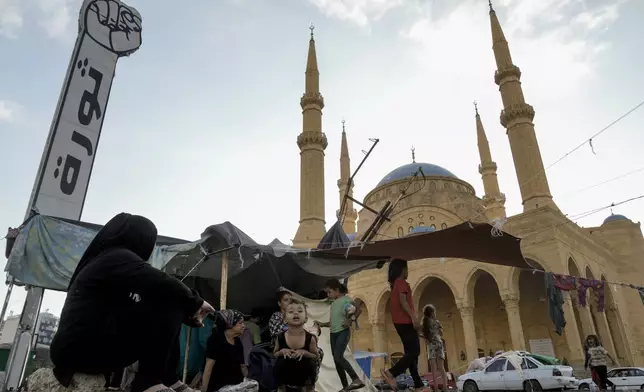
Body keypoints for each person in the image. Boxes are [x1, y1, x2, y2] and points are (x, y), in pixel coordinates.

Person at [50, 213, 214, 392]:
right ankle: (149, 382)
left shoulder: (116, 266)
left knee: (167, 298)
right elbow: (161, 283)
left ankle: (167, 378)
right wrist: (196, 302)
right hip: (79, 350)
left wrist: (187, 315)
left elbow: (153, 302)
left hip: (83, 347)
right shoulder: (115, 256)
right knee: (170, 296)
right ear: (140, 238)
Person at [380, 259, 423, 392]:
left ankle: (418, 384)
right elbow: (404, 302)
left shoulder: (395, 285)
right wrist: (414, 318)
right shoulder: (401, 283)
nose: (407, 271)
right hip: (405, 321)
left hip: (399, 322)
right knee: (415, 351)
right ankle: (391, 372)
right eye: (406, 268)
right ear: (401, 270)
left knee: (411, 353)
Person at [316, 279, 366, 391]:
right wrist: (322, 324)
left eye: (329, 292)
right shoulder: (333, 304)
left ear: (337, 290)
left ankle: (356, 379)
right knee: (336, 360)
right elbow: (333, 322)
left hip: (343, 332)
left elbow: (358, 310)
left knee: (338, 357)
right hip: (333, 334)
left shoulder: (346, 299)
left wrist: (351, 320)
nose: (328, 295)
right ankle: (345, 387)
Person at [202, 310, 258, 392]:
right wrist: (204, 390)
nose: (244, 326)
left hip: (236, 384)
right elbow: (208, 368)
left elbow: (242, 366)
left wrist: (247, 380)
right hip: (219, 386)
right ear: (230, 325)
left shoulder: (237, 341)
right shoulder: (215, 340)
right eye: (240, 323)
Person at [274, 299, 319, 392]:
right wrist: (282, 352)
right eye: (291, 311)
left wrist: (305, 353)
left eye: (300, 311)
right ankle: (281, 388)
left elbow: (316, 356)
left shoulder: (310, 338)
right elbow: (275, 354)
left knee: (310, 363)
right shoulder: (280, 337)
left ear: (306, 318)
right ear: (285, 319)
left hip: (304, 379)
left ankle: (309, 388)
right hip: (285, 380)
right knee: (279, 363)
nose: (295, 313)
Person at [422, 305, 447, 392]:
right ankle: (445, 387)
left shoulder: (425, 323)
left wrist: (426, 338)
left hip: (431, 345)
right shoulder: (437, 322)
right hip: (439, 343)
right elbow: (441, 333)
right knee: (441, 367)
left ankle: (436, 389)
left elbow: (421, 334)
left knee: (433, 369)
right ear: (432, 313)